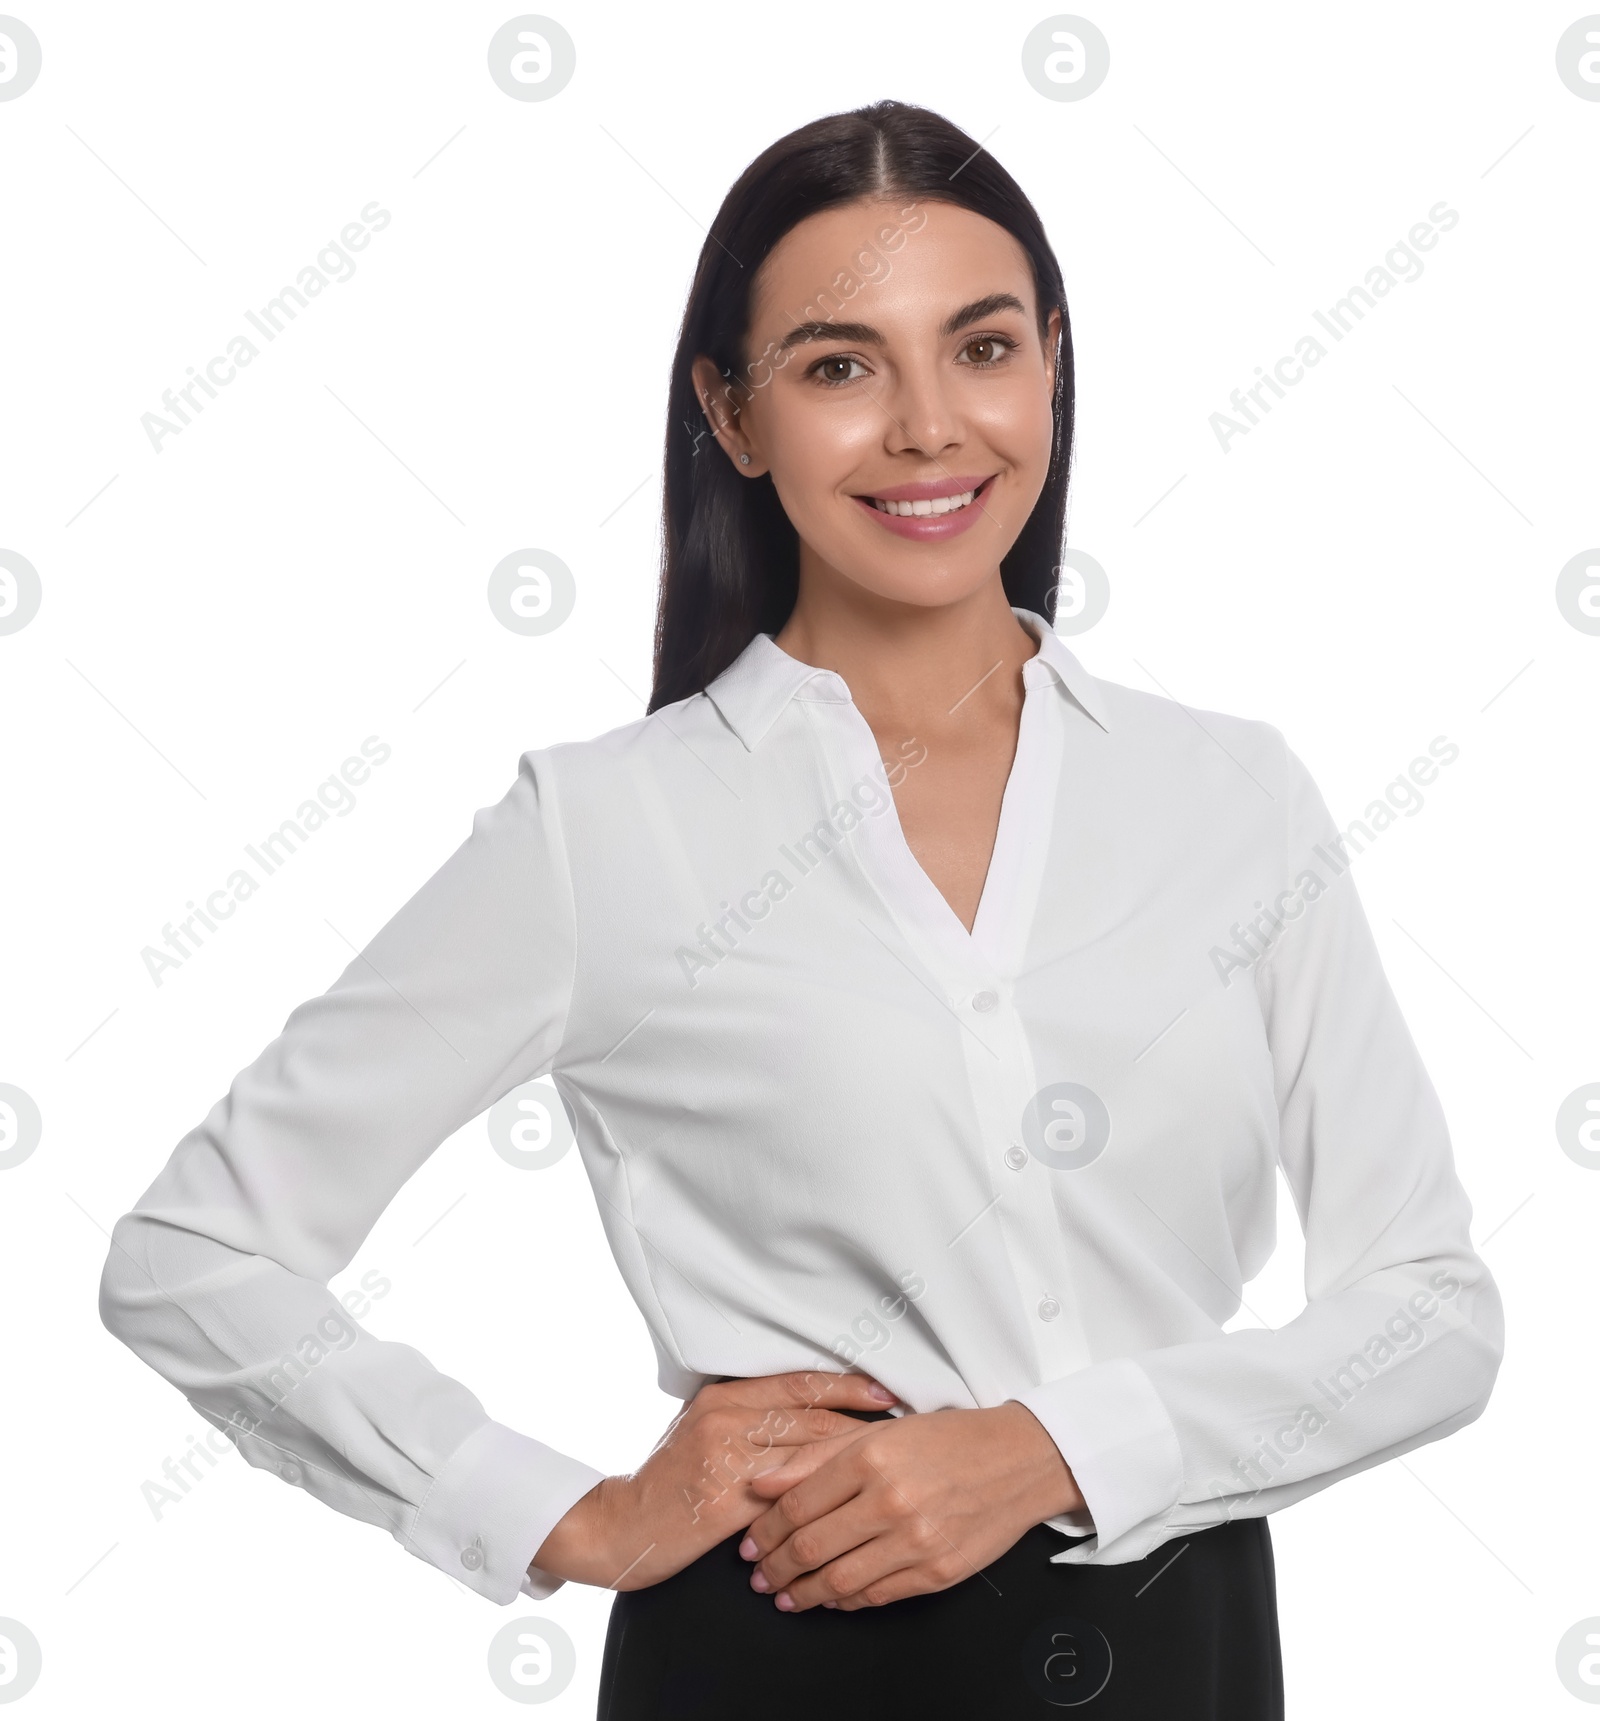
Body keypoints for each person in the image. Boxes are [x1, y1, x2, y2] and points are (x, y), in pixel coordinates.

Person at [99, 101, 1504, 1718]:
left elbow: (1430, 1312)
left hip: (1180, 1643)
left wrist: (1047, 1449)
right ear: (735, 412)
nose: (927, 427)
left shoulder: (1232, 799)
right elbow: (194, 1254)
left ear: (1051, 362)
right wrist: (559, 1509)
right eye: (841, 367)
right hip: (780, 1649)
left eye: (981, 347)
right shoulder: (605, 832)